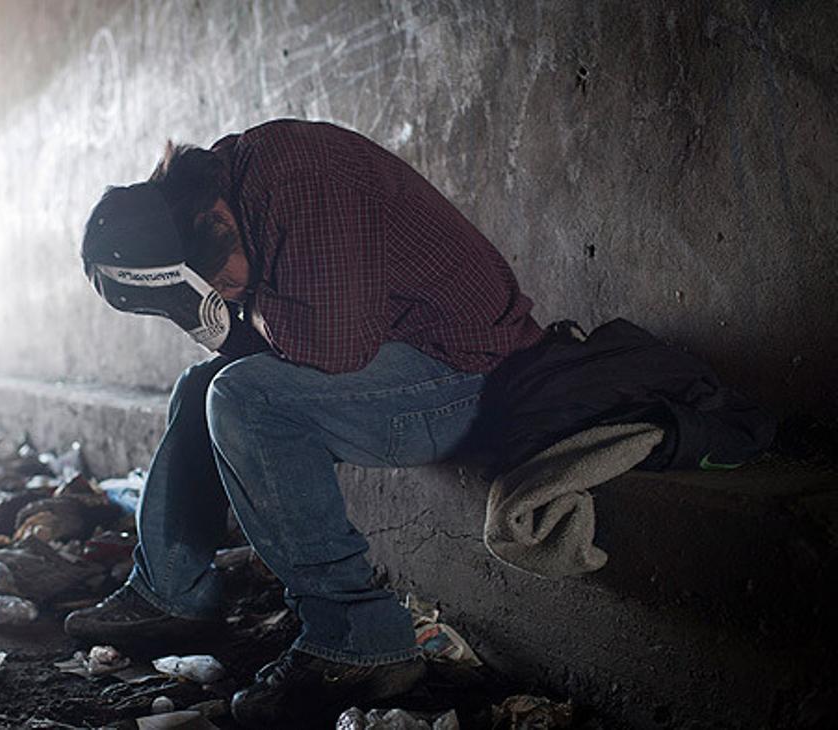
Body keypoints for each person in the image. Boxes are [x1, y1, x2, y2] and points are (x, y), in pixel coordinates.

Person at [71, 119, 544, 726]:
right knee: (201, 388)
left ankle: (359, 638)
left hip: (471, 377)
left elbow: (334, 349)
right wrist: (220, 318)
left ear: (211, 224)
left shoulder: (297, 181)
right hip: (407, 359)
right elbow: (281, 341)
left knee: (245, 399)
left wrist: (237, 321)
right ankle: (172, 591)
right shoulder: (233, 192)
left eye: (220, 280)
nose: (230, 294)